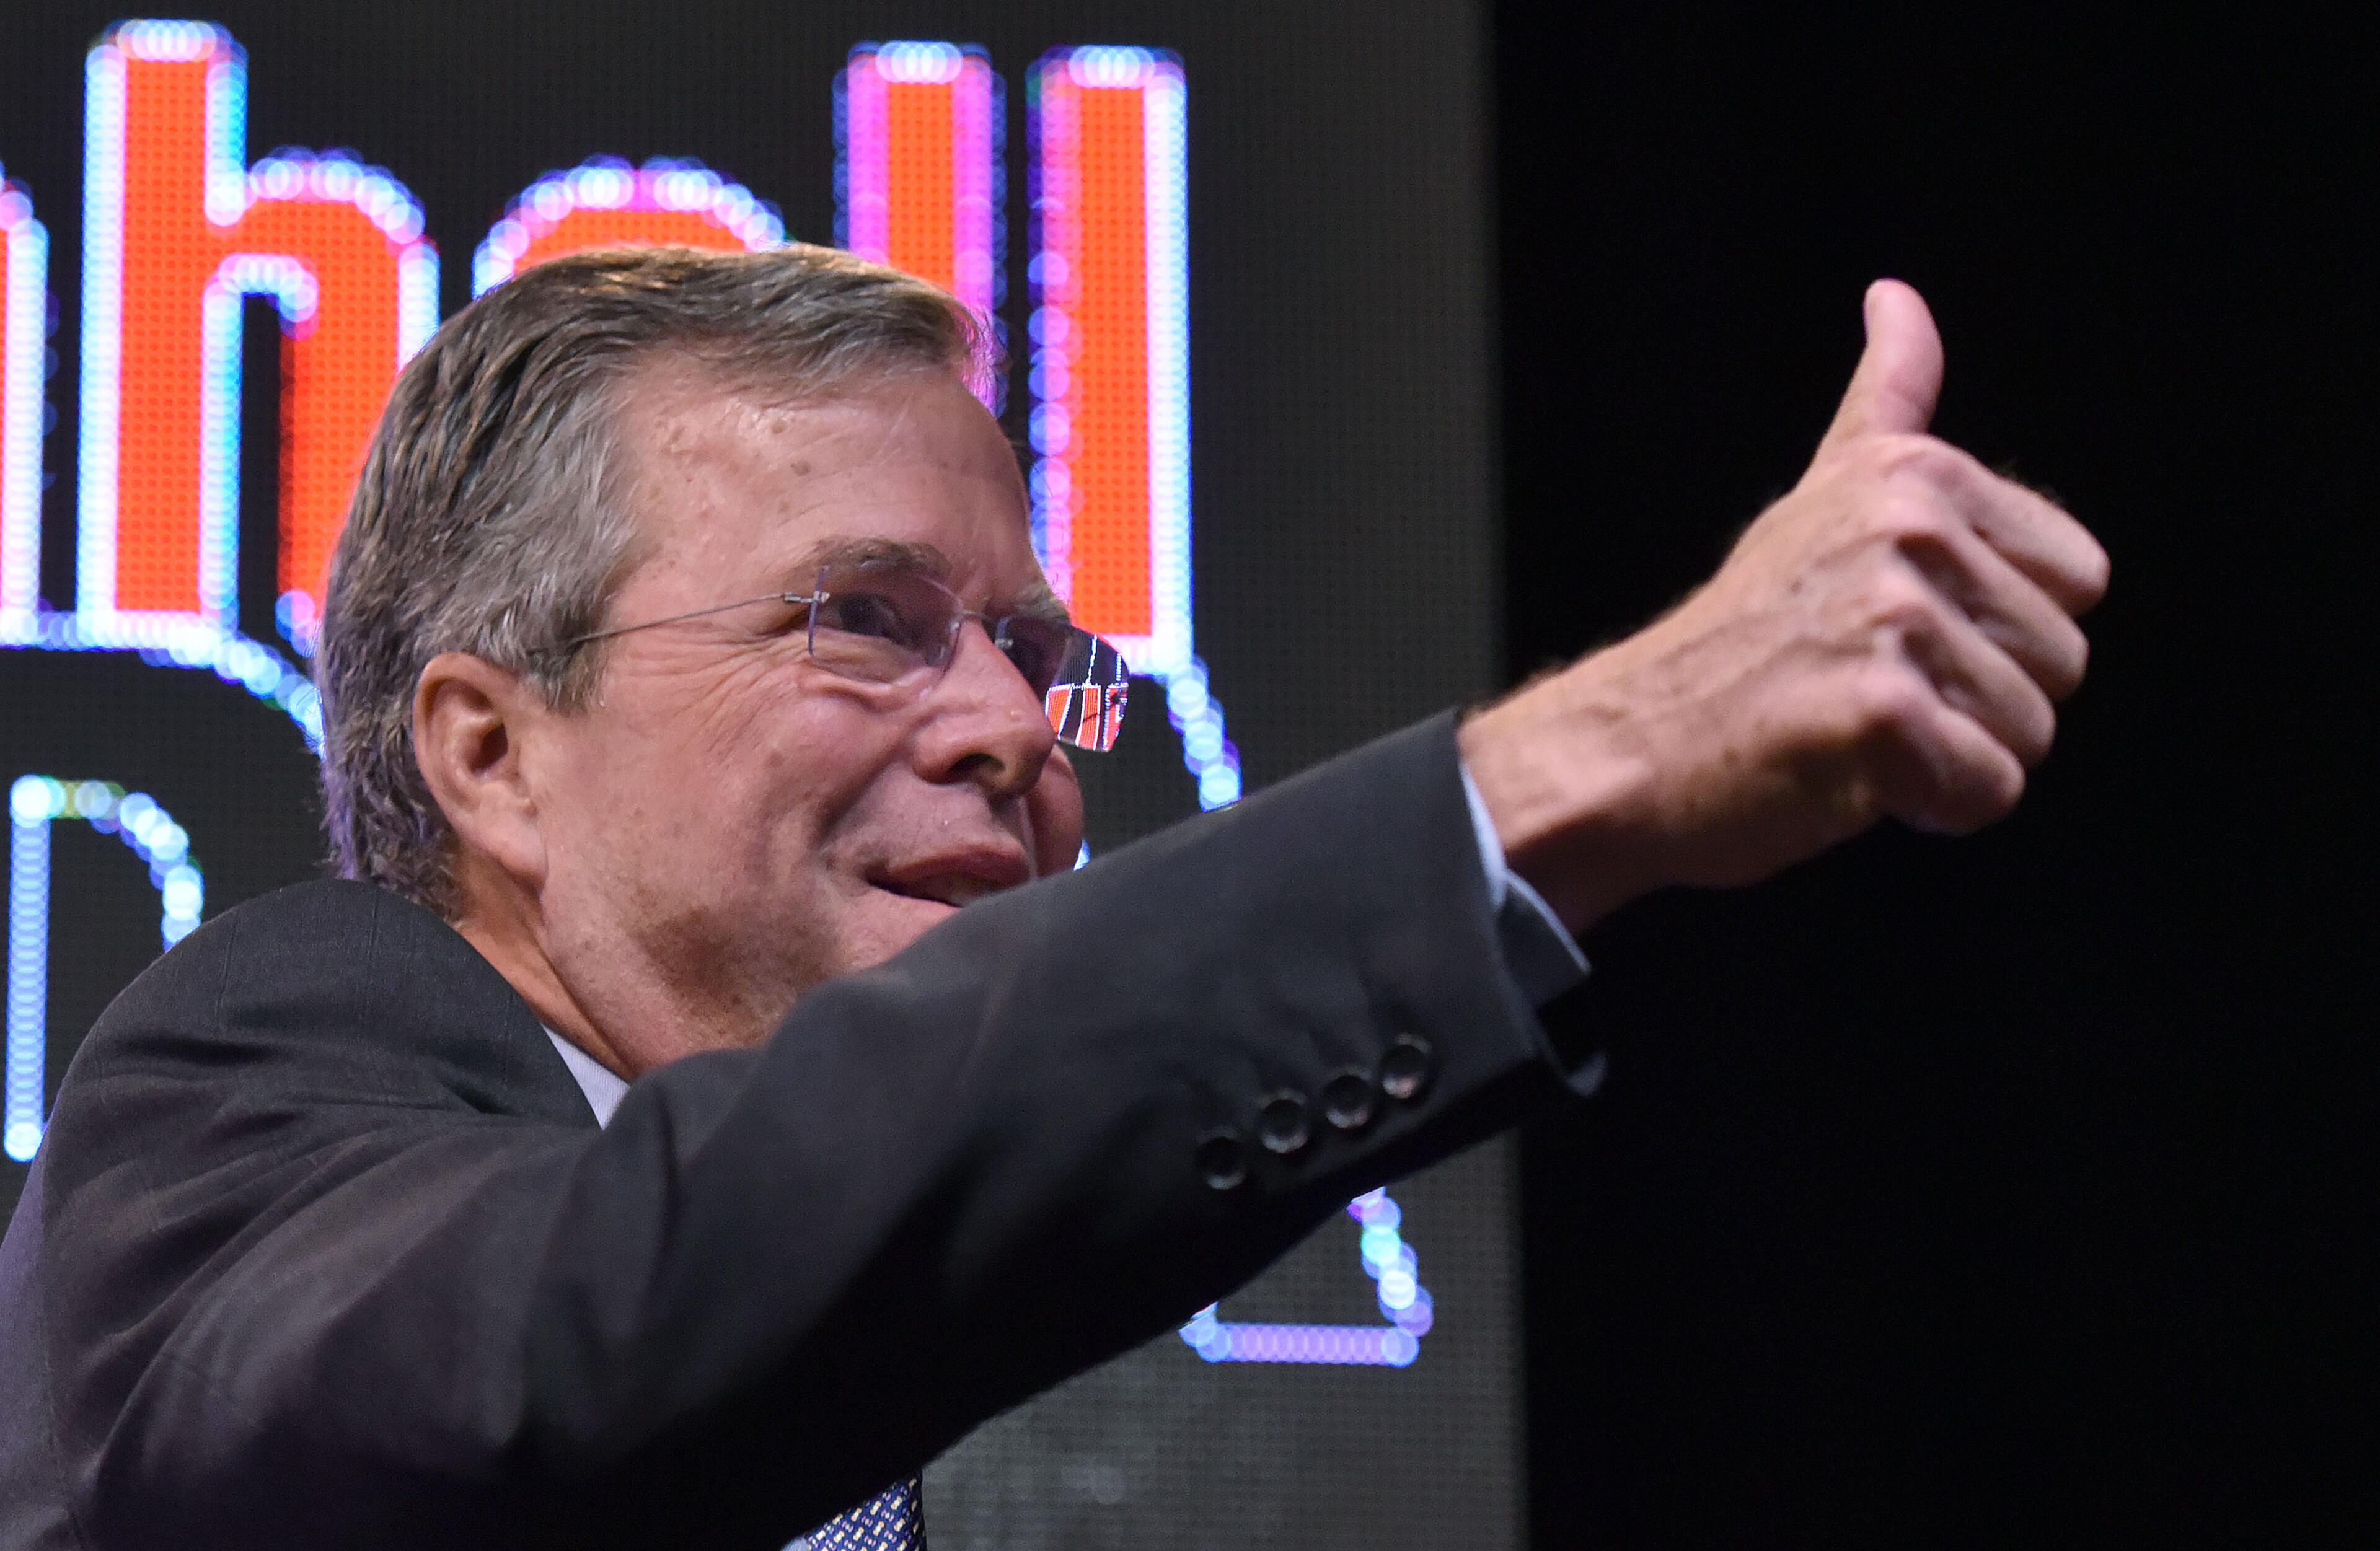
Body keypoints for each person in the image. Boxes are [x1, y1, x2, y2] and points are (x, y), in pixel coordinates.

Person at [0, 247, 2105, 1550]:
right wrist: (1571, 773)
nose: (1023, 720)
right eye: (867, 620)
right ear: (490, 754)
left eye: (1035, 647)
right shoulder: (257, 1074)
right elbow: (584, 1332)